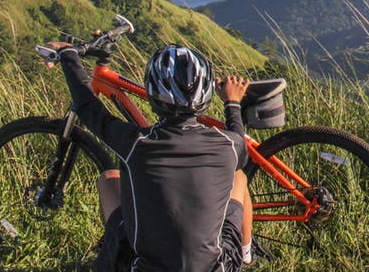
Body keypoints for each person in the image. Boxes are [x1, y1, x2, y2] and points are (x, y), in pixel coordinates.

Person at [47, 40, 255, 271]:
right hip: (214, 268)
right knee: (239, 178)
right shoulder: (229, 144)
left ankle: (116, 250)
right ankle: (245, 256)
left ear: (153, 96)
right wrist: (232, 103)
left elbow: (88, 107)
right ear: (205, 96)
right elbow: (240, 143)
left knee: (109, 180)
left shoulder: (134, 144)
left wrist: (68, 54)